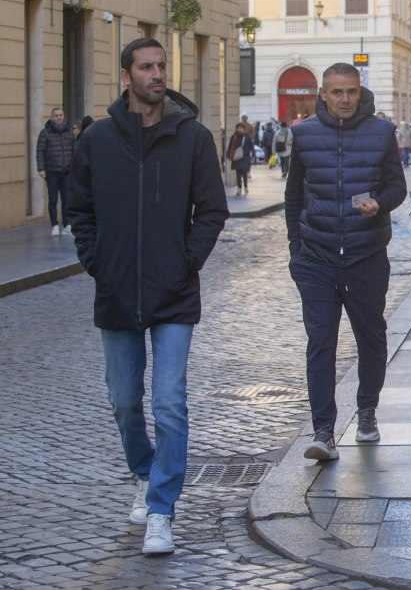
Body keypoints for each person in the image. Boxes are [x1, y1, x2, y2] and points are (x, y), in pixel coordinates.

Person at [65, 37, 229, 554]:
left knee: (169, 402)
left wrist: (185, 262)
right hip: (116, 291)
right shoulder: (97, 141)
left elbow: (212, 210)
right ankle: (144, 469)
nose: (158, 74)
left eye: (162, 66)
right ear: (125, 76)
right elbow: (80, 210)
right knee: (122, 402)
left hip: (174, 292)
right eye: (147, 66)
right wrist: (97, 262)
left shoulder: (193, 138)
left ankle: (161, 509)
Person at [285, 62, 407, 462]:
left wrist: (381, 203)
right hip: (316, 257)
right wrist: (296, 251)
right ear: (323, 94)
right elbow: (293, 198)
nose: (344, 99)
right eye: (336, 92)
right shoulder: (303, 135)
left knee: (371, 337)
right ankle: (324, 430)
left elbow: (397, 187)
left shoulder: (382, 133)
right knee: (321, 342)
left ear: (360, 92)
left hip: (366, 254)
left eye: (351, 92)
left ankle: (367, 410)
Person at [36, 106, 75, 236]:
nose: (59, 117)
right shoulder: (45, 133)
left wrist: (75, 167)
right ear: (52, 117)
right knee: (53, 199)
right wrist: (41, 168)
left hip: (66, 171)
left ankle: (67, 225)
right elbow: (40, 151)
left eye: (61, 115)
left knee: (66, 199)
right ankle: (54, 225)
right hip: (51, 171)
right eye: (56, 115)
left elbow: (75, 151)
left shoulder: (69, 132)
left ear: (63, 116)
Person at [226, 123, 254, 195]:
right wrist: (228, 155)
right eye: (238, 128)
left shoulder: (247, 137)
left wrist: (253, 155)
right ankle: (239, 188)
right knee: (238, 174)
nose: (239, 129)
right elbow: (230, 146)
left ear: (244, 129)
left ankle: (245, 186)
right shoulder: (234, 137)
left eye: (241, 128)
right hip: (237, 158)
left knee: (244, 173)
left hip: (245, 158)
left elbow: (251, 146)